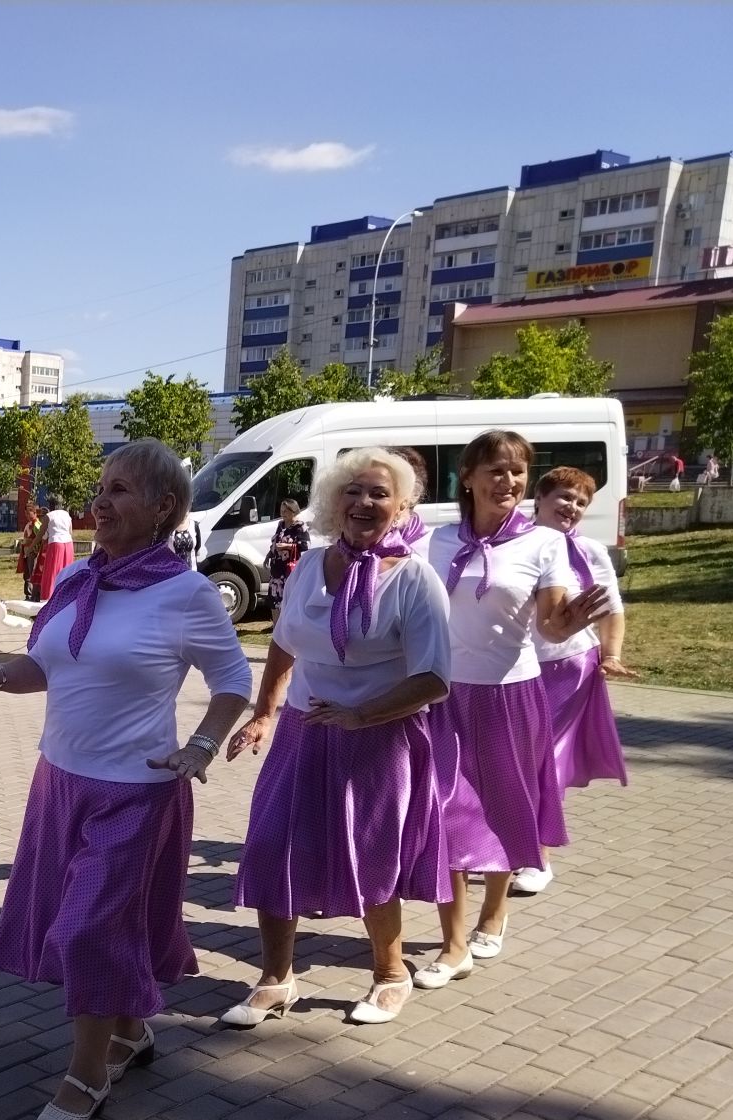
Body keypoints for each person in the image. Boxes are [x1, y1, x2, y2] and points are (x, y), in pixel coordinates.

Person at [0, 440, 252, 1120]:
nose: (99, 504)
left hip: (137, 792)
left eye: (119, 492)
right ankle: (129, 1030)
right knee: (89, 922)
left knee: (87, 930)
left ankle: (87, 1074)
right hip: (60, 783)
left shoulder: (187, 593)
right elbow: (46, 671)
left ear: (165, 507)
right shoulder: (79, 580)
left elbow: (234, 681)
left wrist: (202, 745)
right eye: (100, 489)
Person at [224, 449, 452, 1027]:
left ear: (400, 507)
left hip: (379, 739)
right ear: (332, 502)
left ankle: (390, 974)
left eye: (379, 493)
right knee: (272, 846)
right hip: (303, 731)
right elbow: (285, 643)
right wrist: (265, 714)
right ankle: (277, 979)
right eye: (352, 491)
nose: (364, 503)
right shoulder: (309, 565)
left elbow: (434, 678)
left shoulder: (414, 578)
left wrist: (362, 715)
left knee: (370, 858)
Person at [413, 430, 610, 988]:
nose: (510, 481)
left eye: (519, 471)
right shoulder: (437, 540)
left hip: (511, 695)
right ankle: (453, 945)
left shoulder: (542, 544)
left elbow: (549, 622)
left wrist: (568, 622)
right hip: (445, 694)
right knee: (445, 810)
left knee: (503, 806)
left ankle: (494, 914)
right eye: (497, 470)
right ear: (469, 478)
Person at [512, 466, 632, 896]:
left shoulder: (591, 553)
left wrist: (612, 654)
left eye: (581, 502)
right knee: (514, 760)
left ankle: (539, 857)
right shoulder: (514, 544)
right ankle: (504, 843)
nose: (573, 507)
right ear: (539, 498)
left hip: (570, 668)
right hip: (513, 669)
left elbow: (612, 609)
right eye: (565, 497)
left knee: (547, 763)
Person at [263, 499, 311, 613]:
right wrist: (268, 555)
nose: (282, 514)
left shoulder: (299, 526)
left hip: (289, 572)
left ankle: (287, 629)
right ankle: (276, 629)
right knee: (274, 604)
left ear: (293, 511)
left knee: (288, 603)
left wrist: (287, 546)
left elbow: (305, 545)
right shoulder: (281, 525)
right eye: (281, 511)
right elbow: (275, 542)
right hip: (276, 572)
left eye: (285, 511)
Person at [36, 501, 75, 599]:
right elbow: (70, 532)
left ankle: (48, 597)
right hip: (68, 544)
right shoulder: (66, 515)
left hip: (55, 544)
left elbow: (43, 535)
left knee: (51, 572)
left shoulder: (49, 516)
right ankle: (66, 596)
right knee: (67, 571)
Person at [16, 512, 46, 601]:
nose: (27, 516)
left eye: (30, 514)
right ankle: (28, 594)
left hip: (33, 552)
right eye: (26, 514)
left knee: (32, 573)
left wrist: (30, 543)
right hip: (27, 552)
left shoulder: (37, 524)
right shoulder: (28, 524)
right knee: (27, 573)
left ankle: (34, 595)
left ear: (35, 514)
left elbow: (39, 538)